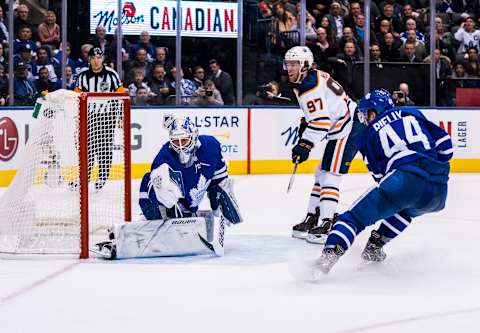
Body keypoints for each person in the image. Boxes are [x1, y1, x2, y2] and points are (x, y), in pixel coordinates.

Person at [313, 89, 452, 275]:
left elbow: (381, 179)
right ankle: (374, 247)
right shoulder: (413, 113)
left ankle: (327, 257)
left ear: (373, 111)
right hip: (438, 191)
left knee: (354, 218)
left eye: (365, 115)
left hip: (404, 179)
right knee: (406, 210)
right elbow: (446, 148)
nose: (364, 120)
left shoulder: (366, 137)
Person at [94, 116, 242, 259]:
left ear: (194, 136)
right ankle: (144, 224)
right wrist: (170, 206)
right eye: (176, 142)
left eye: (184, 140)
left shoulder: (211, 147)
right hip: (156, 201)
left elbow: (219, 179)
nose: (181, 146)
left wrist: (220, 199)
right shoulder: (165, 157)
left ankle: (170, 220)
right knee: (161, 186)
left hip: (187, 206)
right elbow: (154, 184)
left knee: (189, 212)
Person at [284, 46, 364, 244]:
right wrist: (306, 123)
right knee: (321, 171)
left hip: (348, 126)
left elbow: (321, 122)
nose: (289, 68)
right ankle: (314, 215)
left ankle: (327, 222)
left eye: (294, 64)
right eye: (288, 64)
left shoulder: (308, 85)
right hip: (343, 123)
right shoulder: (308, 79)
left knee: (330, 174)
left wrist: (304, 145)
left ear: (304, 65)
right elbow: (319, 112)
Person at [74, 47, 125, 191]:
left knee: (104, 148)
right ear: (89, 60)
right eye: (93, 58)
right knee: (87, 148)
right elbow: (75, 97)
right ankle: (85, 177)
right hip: (88, 117)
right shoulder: (82, 76)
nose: (96, 61)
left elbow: (121, 97)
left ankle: (102, 176)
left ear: (102, 59)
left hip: (107, 117)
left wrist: (121, 116)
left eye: (99, 58)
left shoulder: (112, 75)